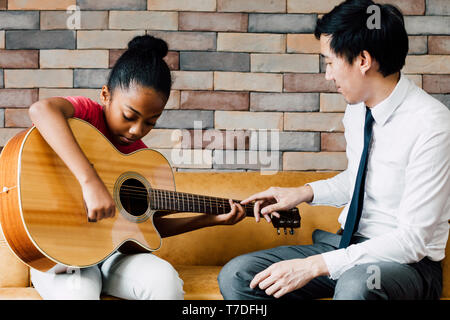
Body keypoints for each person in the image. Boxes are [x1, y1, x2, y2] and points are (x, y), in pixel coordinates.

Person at [218, 0, 450, 300]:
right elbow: (359, 178)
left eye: (330, 62)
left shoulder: (432, 124)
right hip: (345, 246)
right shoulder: (356, 110)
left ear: (363, 60)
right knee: (240, 275)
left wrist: (314, 265)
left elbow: (413, 240)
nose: (328, 75)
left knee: (356, 286)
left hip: (406, 264)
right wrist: (302, 193)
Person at [28, 35, 246, 300]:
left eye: (150, 122)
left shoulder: (143, 158)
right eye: (129, 116)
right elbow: (41, 110)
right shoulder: (87, 115)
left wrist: (210, 219)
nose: (136, 130)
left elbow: (147, 229)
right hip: (63, 254)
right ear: (105, 94)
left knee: (165, 282)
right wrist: (90, 181)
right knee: (79, 293)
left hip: (114, 257)